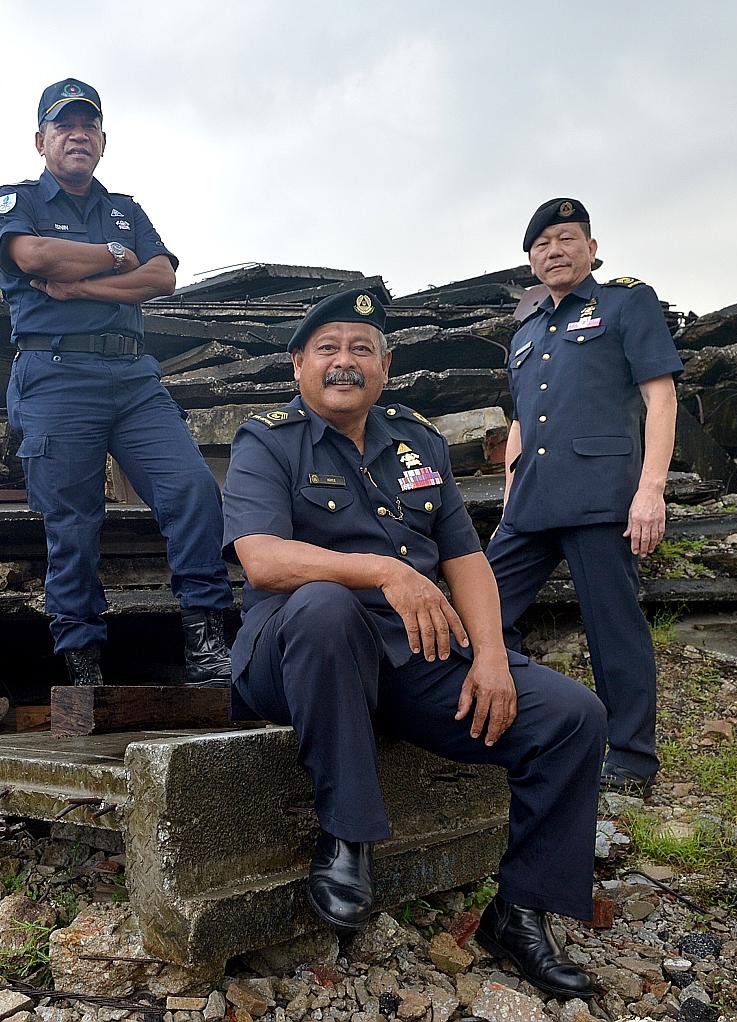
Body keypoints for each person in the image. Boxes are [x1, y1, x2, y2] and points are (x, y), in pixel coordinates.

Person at [222, 287, 605, 1000]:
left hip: (412, 656)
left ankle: (518, 913)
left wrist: (490, 654)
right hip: (297, 652)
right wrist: (383, 569)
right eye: (328, 349)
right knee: (327, 606)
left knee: (570, 716)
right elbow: (263, 560)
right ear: (299, 365)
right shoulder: (267, 440)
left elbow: (465, 560)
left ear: (385, 366)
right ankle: (346, 835)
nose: (345, 362)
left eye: (361, 349)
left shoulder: (416, 442)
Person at [0, 78, 232, 687]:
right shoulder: (14, 199)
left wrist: (88, 280)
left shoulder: (126, 206)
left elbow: (164, 278)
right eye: (64, 126)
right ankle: (84, 668)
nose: (78, 135)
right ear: (40, 139)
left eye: (88, 126)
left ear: (103, 140)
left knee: (193, 490)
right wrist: (118, 257)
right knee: (72, 522)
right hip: (57, 376)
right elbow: (37, 259)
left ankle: (206, 642)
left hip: (133, 375)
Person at [487, 198, 684, 798]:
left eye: (567, 238)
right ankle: (517, 725)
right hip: (532, 502)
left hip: (602, 495)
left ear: (592, 249)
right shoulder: (525, 330)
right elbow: (520, 422)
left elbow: (660, 397)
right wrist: (506, 504)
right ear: (530, 261)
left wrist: (650, 491)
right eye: (543, 245)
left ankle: (629, 758)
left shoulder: (626, 304)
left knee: (613, 628)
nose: (555, 251)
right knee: (481, 612)